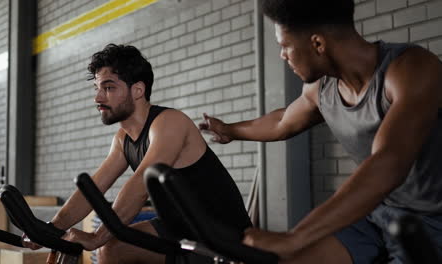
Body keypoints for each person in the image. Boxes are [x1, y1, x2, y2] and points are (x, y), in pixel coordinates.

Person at [199, 0, 442, 263]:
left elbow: (389, 163)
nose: (282, 55)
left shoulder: (412, 69)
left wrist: (295, 236)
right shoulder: (322, 89)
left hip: (433, 221)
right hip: (377, 214)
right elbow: (282, 121)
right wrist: (230, 130)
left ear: (317, 44)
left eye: (284, 46)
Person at [23, 44, 252, 264]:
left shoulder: (169, 122)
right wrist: (52, 228)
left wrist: (98, 237)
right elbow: (93, 188)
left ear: (138, 90)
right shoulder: (123, 140)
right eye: (97, 88)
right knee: (112, 250)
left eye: (109, 88)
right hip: (179, 228)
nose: (98, 98)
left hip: (222, 236)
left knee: (109, 247)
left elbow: (140, 185)